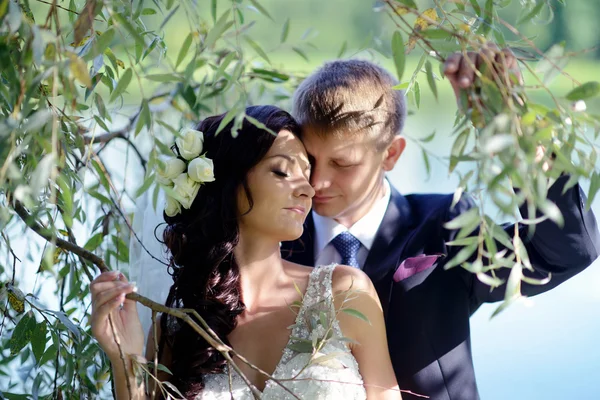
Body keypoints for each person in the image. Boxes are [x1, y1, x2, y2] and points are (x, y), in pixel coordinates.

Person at [281, 51, 600, 399]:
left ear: (391, 154)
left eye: (342, 163)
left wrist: (515, 133)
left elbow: (567, 253)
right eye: (310, 159)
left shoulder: (446, 225)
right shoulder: (273, 238)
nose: (319, 181)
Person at [90, 106, 401, 399]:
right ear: (227, 182)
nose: (307, 188)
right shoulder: (179, 326)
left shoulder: (344, 293)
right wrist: (125, 359)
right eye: (281, 171)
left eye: (306, 175)